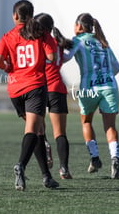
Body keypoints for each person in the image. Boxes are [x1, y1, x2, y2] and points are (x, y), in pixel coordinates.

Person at [0, 0, 59, 191]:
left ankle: (46, 176)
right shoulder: (40, 33)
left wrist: (9, 67)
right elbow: (51, 57)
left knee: (38, 131)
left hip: (15, 89)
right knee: (32, 130)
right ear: (31, 15)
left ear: (15, 16)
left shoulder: (7, 36)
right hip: (34, 86)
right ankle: (20, 165)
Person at [64, 13, 119, 179]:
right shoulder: (102, 42)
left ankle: (95, 158)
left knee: (86, 121)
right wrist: (105, 76)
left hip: (89, 88)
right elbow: (117, 67)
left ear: (80, 27)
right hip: (109, 86)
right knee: (110, 127)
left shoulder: (78, 40)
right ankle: (115, 159)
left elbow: (66, 57)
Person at [34, 13, 73, 180]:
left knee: (39, 130)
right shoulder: (58, 43)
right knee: (61, 133)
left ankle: (45, 145)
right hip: (57, 88)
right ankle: (64, 168)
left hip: (40, 87)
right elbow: (66, 56)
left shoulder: (37, 42)